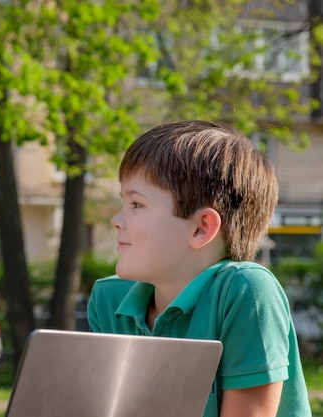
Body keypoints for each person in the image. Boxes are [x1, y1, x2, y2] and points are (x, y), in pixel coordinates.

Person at [87, 120, 311, 417]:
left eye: (137, 204)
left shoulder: (247, 292)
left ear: (201, 228)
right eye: (123, 203)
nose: (117, 219)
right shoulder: (108, 300)